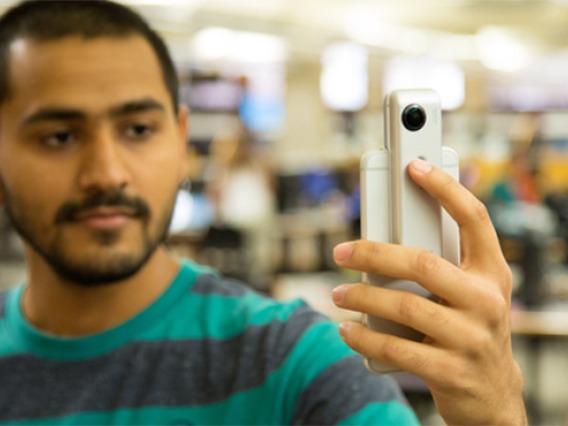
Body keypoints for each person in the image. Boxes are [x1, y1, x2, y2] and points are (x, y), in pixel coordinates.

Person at [0, 1, 526, 425]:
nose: (107, 173)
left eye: (138, 129)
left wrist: (495, 410)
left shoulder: (297, 366)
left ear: (182, 143)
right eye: (59, 136)